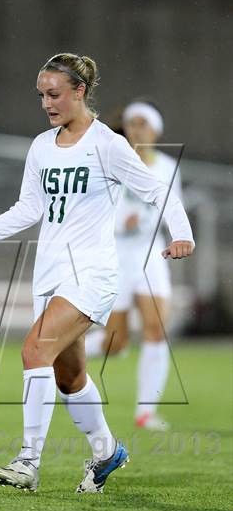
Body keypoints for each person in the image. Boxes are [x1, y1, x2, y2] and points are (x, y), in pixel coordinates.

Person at [0, 53, 195, 493]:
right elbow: (29, 209)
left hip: (92, 275)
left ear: (79, 91)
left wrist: (183, 234)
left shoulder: (107, 145)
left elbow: (160, 190)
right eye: (41, 95)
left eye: (54, 93)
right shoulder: (41, 146)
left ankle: (27, 461)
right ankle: (106, 452)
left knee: (33, 351)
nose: (46, 103)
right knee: (69, 378)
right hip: (51, 276)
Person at [85, 99, 183, 431]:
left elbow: (171, 207)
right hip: (116, 256)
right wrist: (117, 224)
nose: (136, 129)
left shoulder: (168, 167)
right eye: (131, 123)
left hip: (152, 254)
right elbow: (94, 210)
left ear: (155, 130)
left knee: (157, 331)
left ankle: (146, 412)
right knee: (117, 343)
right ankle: (68, 350)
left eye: (143, 123)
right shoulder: (112, 159)